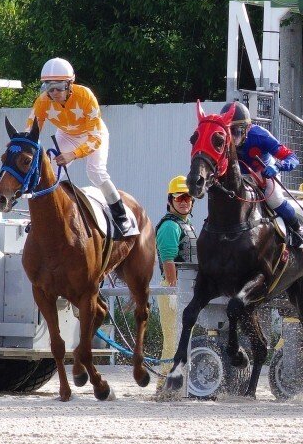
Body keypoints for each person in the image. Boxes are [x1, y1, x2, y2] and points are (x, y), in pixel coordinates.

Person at [27, 57, 137, 239]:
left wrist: (73, 154)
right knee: (50, 174)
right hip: (66, 134)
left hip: (92, 133)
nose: (53, 93)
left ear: (70, 84)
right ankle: (41, 217)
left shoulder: (85, 96)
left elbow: (95, 139)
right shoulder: (43, 101)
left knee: (96, 172)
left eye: (59, 87)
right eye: (48, 87)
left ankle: (120, 215)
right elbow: (30, 131)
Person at [228, 102, 303, 252]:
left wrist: (277, 166)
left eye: (236, 132)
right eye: (228, 131)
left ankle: (298, 230)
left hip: (262, 173)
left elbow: (292, 157)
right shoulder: (221, 138)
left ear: (247, 129)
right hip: (236, 175)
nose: (232, 139)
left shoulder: (260, 136)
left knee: (275, 199)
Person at [154, 176, 196, 375]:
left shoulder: (186, 224)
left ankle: (179, 380)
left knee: (183, 339)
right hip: (174, 287)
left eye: (187, 198)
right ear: (170, 200)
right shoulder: (170, 226)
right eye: (179, 198)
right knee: (172, 339)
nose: (184, 201)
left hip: (185, 289)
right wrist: (173, 291)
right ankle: (165, 382)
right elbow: (168, 260)